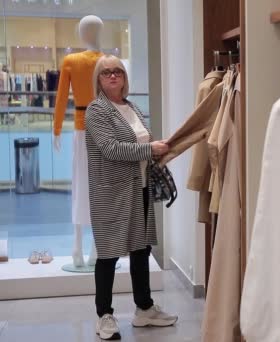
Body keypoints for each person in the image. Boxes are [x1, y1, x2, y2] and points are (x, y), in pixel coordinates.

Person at [85, 55, 177, 340]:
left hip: (140, 187)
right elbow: (111, 148)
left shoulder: (132, 107)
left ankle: (144, 309)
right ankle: (104, 315)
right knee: (109, 254)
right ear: (99, 79)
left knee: (141, 250)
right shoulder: (96, 110)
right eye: (106, 73)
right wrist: (151, 149)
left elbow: (139, 142)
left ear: (124, 77)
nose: (113, 76)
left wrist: (154, 151)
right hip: (110, 192)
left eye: (118, 71)